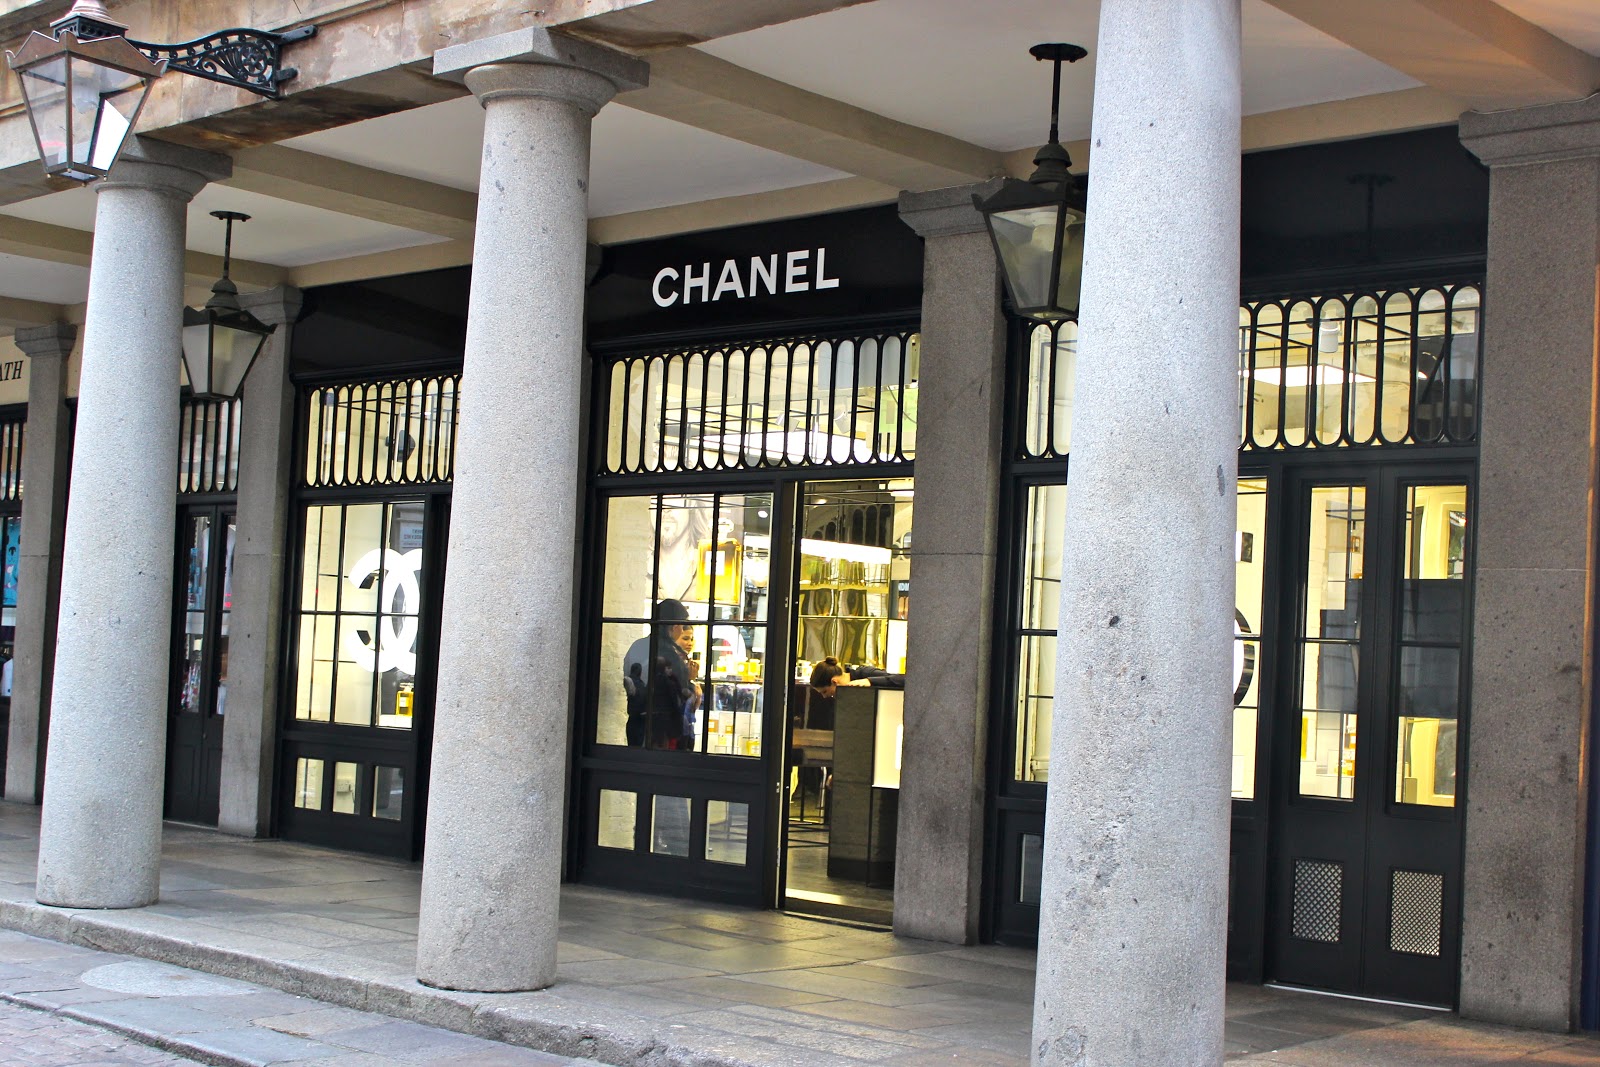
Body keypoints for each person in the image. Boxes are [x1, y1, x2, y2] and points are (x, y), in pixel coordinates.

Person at [621, 598, 701, 750]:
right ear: (675, 627)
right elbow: (679, 699)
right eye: (682, 625)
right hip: (662, 731)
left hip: (636, 722)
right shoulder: (671, 655)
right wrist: (690, 681)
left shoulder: (637, 646)